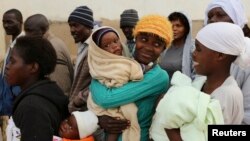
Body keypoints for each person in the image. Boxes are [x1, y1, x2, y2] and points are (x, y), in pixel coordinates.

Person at [151, 22, 249, 141]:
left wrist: (170, 128)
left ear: (220, 55)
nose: (193, 54)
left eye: (198, 49)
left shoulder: (228, 95)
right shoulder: (201, 81)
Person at [90, 15, 173, 141]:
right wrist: (100, 118)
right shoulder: (124, 63)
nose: (148, 47)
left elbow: (106, 98)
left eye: (157, 44)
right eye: (144, 39)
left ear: (163, 49)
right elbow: (98, 78)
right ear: (135, 39)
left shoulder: (159, 77)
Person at [87, 26, 153, 141]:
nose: (114, 46)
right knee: (116, 122)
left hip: (110, 100)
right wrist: (142, 70)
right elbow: (123, 76)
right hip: (104, 107)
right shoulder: (104, 64)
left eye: (115, 41)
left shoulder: (123, 60)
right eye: (106, 46)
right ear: (99, 52)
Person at [5, 36, 69, 141]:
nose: (7, 66)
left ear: (33, 67)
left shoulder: (32, 107)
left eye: (12, 62)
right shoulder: (48, 90)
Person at [204, 0, 250, 125]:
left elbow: (247, 118)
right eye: (210, 16)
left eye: (220, 15)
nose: (213, 20)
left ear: (236, 20)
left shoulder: (247, 55)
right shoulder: (205, 53)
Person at [67, 6, 104, 141]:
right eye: (70, 26)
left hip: (92, 114)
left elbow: (104, 81)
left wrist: (79, 98)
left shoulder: (96, 47)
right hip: (81, 114)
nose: (72, 30)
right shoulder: (82, 45)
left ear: (88, 26)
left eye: (76, 26)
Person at [24, 14, 74, 96]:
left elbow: (62, 89)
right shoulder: (47, 45)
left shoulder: (54, 49)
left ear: (43, 30)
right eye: (26, 31)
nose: (27, 35)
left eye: (30, 31)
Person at [1, 8, 23, 141]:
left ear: (21, 22)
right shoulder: (12, 44)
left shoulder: (21, 46)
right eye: (3, 22)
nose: (5, 25)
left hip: (15, 110)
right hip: (7, 110)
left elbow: (18, 82)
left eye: (10, 22)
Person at [159, 12, 195, 79]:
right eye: (171, 26)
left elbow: (196, 74)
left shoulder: (193, 48)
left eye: (178, 26)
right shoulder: (164, 47)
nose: (174, 29)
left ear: (186, 29)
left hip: (183, 88)